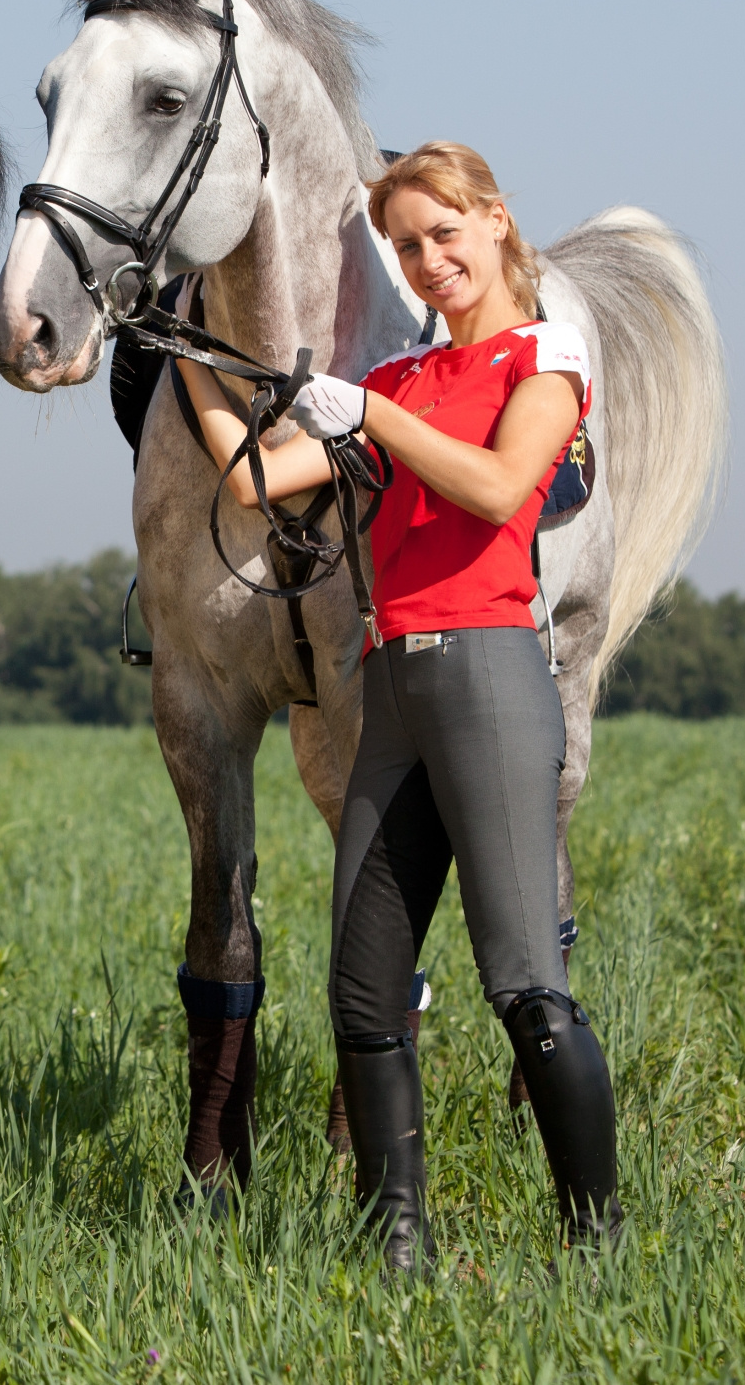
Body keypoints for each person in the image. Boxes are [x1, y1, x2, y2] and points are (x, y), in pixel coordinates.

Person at [172, 139, 620, 1268]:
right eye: (407, 244)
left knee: (523, 980)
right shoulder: (394, 384)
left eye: (443, 233)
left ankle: (598, 1241)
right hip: (389, 683)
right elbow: (253, 480)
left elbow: (494, 485)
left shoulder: (540, 359)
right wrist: (188, 355)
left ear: (497, 220)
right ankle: (396, 1245)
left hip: (485, 674)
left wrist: (365, 421)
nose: (426, 261)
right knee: (362, 989)